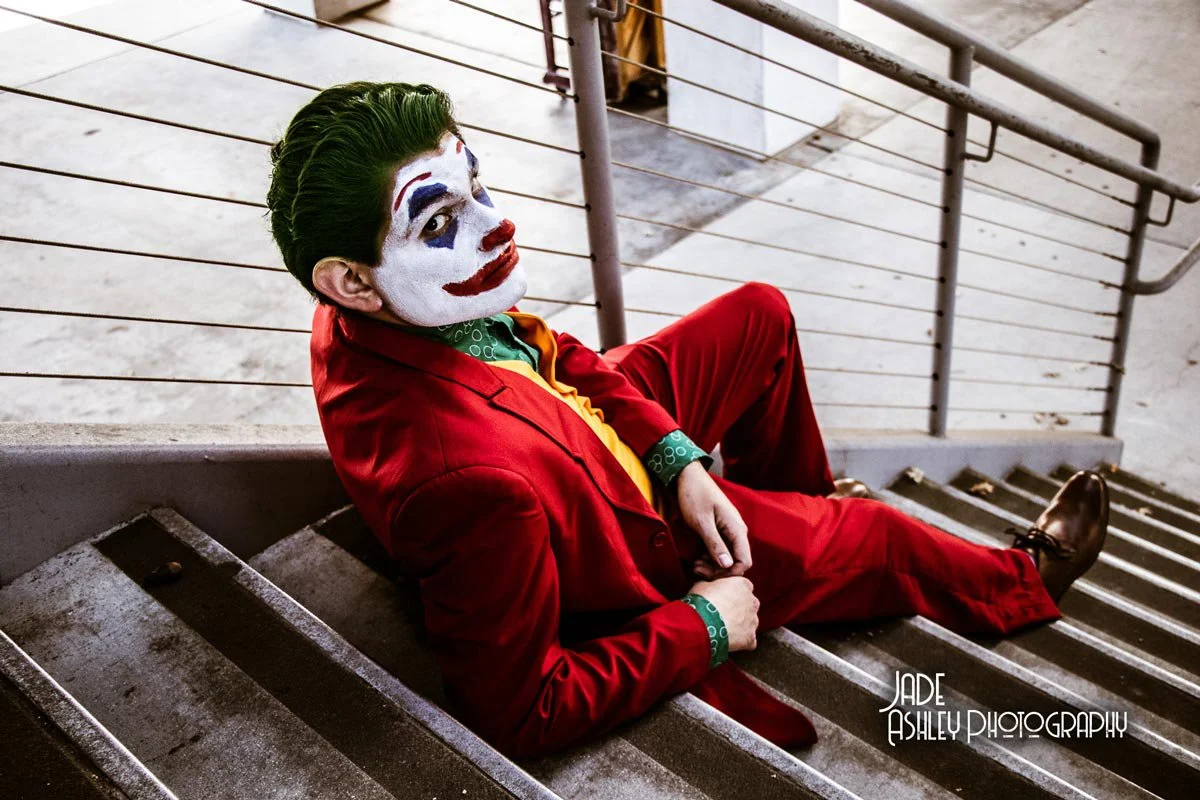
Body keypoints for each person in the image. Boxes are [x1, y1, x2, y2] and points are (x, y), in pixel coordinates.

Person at [266, 82, 1110, 758]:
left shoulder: (385, 311)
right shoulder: (469, 487)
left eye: (477, 184)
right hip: (616, 536)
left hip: (572, 435)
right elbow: (515, 713)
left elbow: (545, 350)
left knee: (760, 315)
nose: (498, 222)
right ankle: (1021, 583)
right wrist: (705, 625)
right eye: (443, 220)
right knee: (879, 534)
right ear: (350, 281)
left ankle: (791, 506)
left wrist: (678, 457)